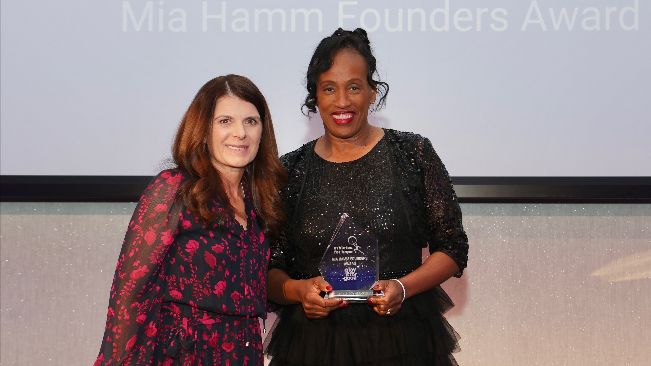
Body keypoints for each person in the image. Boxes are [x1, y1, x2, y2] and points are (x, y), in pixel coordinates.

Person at [264, 28, 469, 365]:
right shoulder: (290, 170)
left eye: (354, 87)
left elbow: (452, 247)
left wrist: (402, 288)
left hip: (403, 341)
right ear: (315, 96)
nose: (342, 101)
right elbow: (270, 269)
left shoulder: (412, 154)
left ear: (373, 93)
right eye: (329, 88)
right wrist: (299, 292)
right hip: (312, 348)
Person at [94, 74, 286, 366]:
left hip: (244, 355)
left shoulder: (259, 200)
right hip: (186, 355)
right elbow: (130, 293)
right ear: (203, 128)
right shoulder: (174, 189)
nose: (240, 133)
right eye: (225, 121)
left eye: (251, 121)